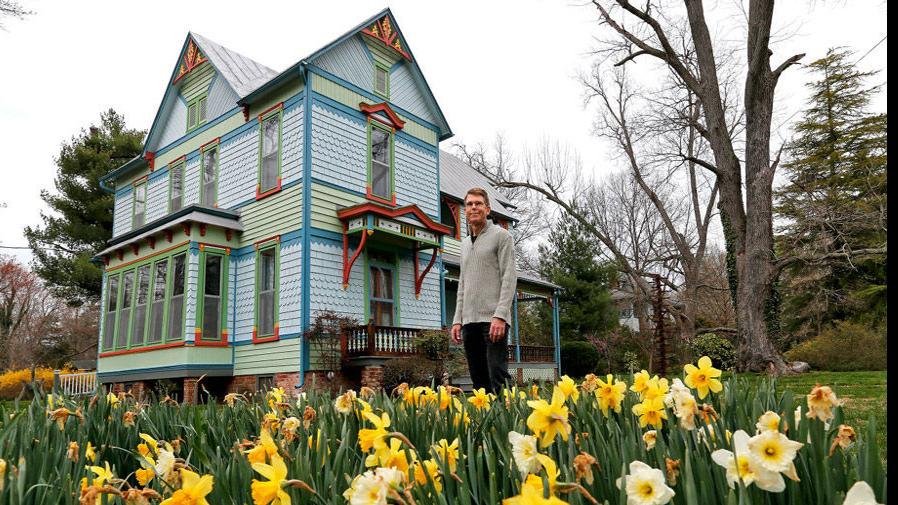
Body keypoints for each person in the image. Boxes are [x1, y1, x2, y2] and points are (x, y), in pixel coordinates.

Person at [450, 187, 517, 394]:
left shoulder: (502, 237)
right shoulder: (463, 244)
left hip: (493, 320)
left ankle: (511, 416)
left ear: (487, 209)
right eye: (469, 204)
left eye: (478, 203)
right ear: (465, 211)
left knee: (497, 375)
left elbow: (509, 277)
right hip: (469, 321)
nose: (473, 207)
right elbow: (462, 282)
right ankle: (487, 422)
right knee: (478, 380)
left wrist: (500, 315)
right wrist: (457, 318)